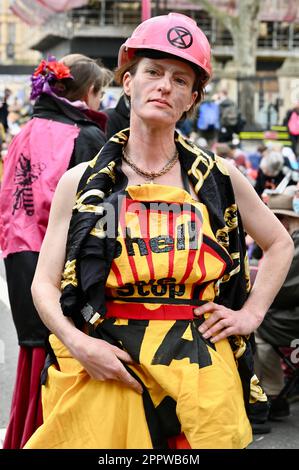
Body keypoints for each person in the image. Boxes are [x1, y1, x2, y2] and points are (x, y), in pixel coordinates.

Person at [24, 13, 293, 449]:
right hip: (109, 368)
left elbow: (280, 242)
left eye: (180, 79)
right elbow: (44, 283)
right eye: (152, 72)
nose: (165, 86)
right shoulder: (80, 181)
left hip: (201, 374)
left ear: (192, 98)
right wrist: (78, 344)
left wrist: (250, 315)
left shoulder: (217, 178)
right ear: (127, 83)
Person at [0, 53, 113, 449]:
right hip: (58, 263)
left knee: (34, 355)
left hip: (17, 254)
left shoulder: (24, 131)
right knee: (65, 360)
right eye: (103, 92)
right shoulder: (86, 136)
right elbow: (99, 214)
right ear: (90, 92)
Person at [254, 185, 299, 429]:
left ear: (282, 220)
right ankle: (271, 392)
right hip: (290, 313)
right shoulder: (292, 242)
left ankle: (270, 394)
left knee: (256, 324)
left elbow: (278, 293)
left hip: (292, 318)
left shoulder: (293, 246)